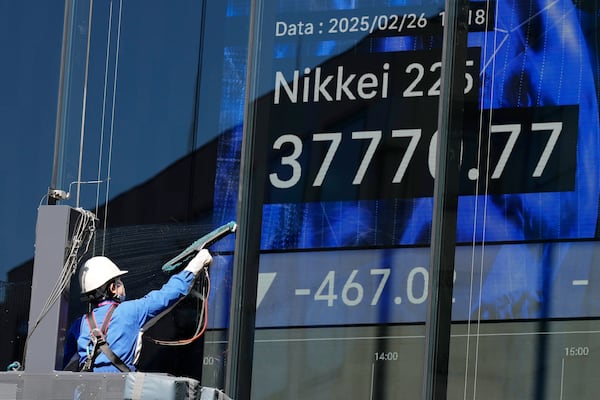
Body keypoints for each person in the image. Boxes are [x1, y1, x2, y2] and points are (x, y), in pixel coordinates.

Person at [63, 249, 213, 372]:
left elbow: (67, 368)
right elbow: (167, 295)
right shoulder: (130, 311)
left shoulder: (78, 325)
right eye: (119, 282)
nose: (123, 285)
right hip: (119, 392)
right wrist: (196, 264)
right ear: (113, 288)